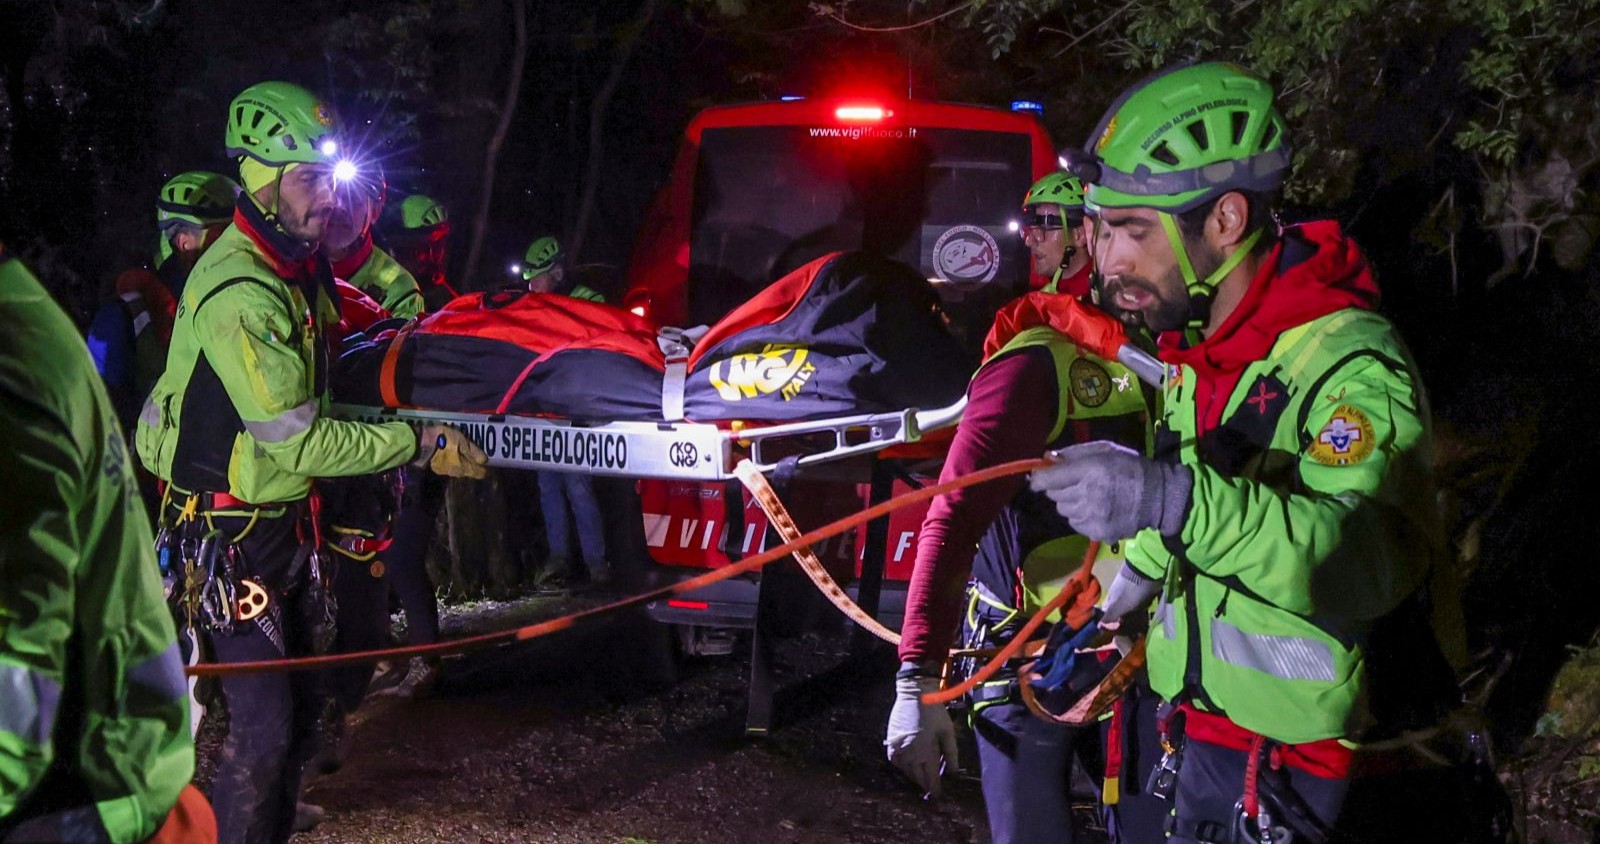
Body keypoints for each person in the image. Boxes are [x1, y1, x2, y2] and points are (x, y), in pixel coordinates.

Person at [1033, 61, 1439, 841]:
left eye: (1132, 231)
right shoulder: (1204, 353)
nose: (1108, 260)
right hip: (1201, 739)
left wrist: (1163, 499)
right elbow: (1204, 494)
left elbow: (1365, 562)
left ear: (1222, 222)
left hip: (1313, 776)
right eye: (1100, 227)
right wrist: (1125, 592)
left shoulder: (1346, 365)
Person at [134, 80, 487, 844]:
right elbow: (296, 441)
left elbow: (339, 373)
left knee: (299, 719)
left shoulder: (298, 270)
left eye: (331, 180)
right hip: (233, 539)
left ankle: (269, 827)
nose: (327, 198)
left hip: (281, 525)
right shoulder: (244, 292)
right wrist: (415, 441)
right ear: (260, 183)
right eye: (309, 181)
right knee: (262, 731)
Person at [885, 173, 1162, 844]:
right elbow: (951, 517)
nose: (1031, 236)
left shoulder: (1171, 356)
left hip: (1138, 656)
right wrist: (915, 681)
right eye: (1029, 221)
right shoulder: (1032, 363)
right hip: (1027, 661)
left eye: (1046, 221)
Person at [0, 247, 216, 843]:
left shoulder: (17, 362)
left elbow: (17, 660)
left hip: (73, 800)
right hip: (111, 775)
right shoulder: (35, 324)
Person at [87, 171, 239, 433]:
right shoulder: (123, 318)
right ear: (185, 243)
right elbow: (97, 423)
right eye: (224, 235)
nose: (239, 246)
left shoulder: (238, 301)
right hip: (149, 470)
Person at [520, 236, 610, 589]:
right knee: (548, 487)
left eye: (536, 277)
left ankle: (596, 564)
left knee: (578, 487)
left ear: (555, 273)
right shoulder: (532, 306)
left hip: (575, 411)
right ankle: (559, 560)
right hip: (544, 412)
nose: (530, 285)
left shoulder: (587, 302)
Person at [324, 167, 425, 319]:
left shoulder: (399, 290)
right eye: (328, 195)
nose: (339, 207)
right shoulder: (289, 266)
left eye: (353, 198)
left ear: (375, 211)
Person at [383, 193, 458, 311]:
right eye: (426, 248)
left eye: (440, 243)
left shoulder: (443, 298)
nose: (438, 254)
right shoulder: (378, 292)